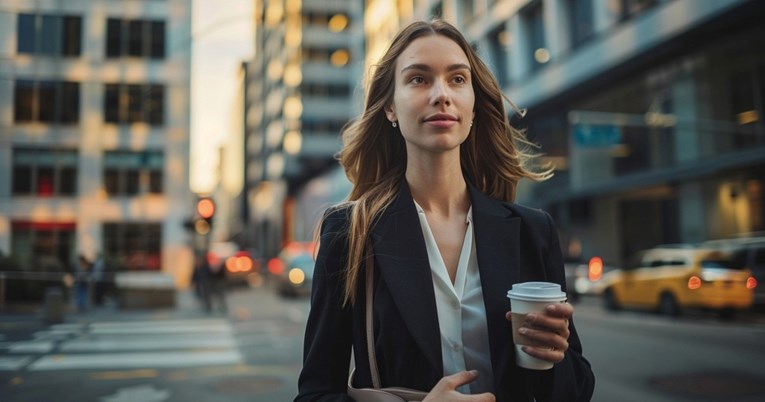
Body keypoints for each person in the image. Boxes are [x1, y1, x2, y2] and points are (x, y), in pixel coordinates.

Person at [296, 19, 594, 402]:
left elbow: (578, 390)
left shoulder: (532, 231)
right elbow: (316, 394)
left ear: (473, 105)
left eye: (457, 79)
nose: (442, 94)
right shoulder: (349, 232)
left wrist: (556, 355)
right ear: (389, 106)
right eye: (419, 79)